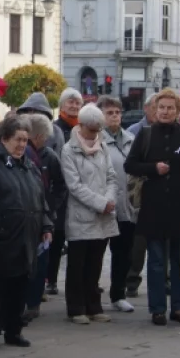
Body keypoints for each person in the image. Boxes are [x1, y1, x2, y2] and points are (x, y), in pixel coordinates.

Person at [124, 89, 180, 326]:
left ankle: (178, 308)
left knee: (179, 261)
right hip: (154, 207)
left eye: (170, 108)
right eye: (161, 107)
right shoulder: (146, 134)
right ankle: (157, 309)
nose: (165, 112)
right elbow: (130, 165)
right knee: (157, 261)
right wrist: (153, 168)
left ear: (178, 111)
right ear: (154, 110)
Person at [0, 115, 52, 350]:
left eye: (25, 140)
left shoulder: (29, 167)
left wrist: (46, 226)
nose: (21, 145)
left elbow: (40, 199)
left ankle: (13, 330)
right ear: (5, 139)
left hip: (26, 236)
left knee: (20, 285)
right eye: (18, 140)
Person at [62, 104, 119, 324]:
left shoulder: (103, 147)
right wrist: (100, 203)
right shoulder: (69, 150)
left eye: (98, 130)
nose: (95, 134)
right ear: (81, 125)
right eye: (92, 130)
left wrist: (109, 199)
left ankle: (94, 306)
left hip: (102, 216)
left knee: (95, 264)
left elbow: (111, 177)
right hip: (81, 216)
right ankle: (76, 308)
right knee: (77, 265)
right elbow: (74, 186)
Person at [23, 114, 66, 320]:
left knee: (40, 262)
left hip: (43, 216)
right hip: (24, 216)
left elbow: (60, 185)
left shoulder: (50, 156)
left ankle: (33, 302)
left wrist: (51, 207)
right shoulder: (20, 154)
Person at [98, 96, 136, 313]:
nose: (114, 116)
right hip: (104, 207)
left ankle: (118, 294)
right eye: (109, 113)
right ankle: (91, 293)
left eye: (117, 112)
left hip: (127, 207)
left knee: (123, 254)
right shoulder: (95, 139)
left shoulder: (131, 139)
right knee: (96, 253)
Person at [45, 88, 82, 296]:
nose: (74, 106)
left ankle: (77, 280)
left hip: (79, 190)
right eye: (70, 102)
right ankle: (50, 279)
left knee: (77, 239)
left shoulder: (83, 128)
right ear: (62, 105)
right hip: (60, 188)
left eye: (77, 103)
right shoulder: (54, 128)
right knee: (57, 236)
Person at [126, 93, 158, 297]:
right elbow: (129, 165)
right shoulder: (134, 131)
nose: (159, 111)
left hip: (163, 197)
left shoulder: (173, 132)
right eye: (155, 106)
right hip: (140, 195)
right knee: (138, 243)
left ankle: (164, 281)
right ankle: (131, 281)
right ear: (146, 108)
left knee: (163, 243)